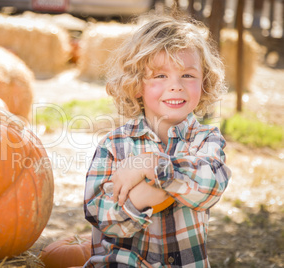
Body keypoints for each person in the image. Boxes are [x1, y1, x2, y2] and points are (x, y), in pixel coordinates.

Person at [83, 12, 232, 267]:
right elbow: (99, 216)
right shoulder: (114, 145)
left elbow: (211, 186)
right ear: (137, 84)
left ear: (204, 83)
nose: (175, 86)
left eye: (187, 75)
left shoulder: (206, 139)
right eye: (160, 75)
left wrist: (151, 166)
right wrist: (143, 197)